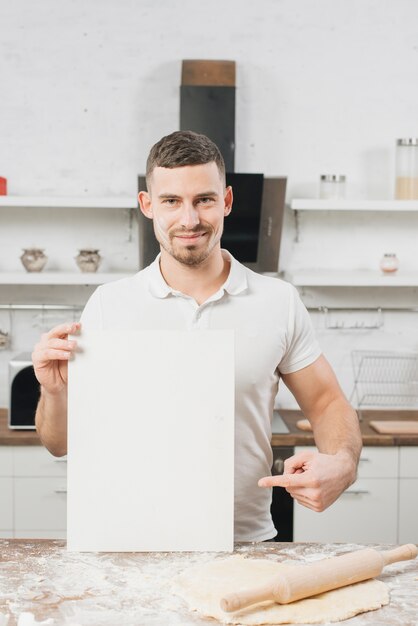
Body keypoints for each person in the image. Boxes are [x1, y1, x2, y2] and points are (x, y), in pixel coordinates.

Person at [33, 130, 362, 542]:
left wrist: (343, 463)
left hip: (245, 543)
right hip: (130, 541)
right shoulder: (108, 305)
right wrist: (55, 393)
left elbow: (327, 401)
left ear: (225, 201)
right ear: (147, 205)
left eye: (203, 200)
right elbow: (59, 443)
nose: (189, 220)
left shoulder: (278, 301)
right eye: (171, 201)